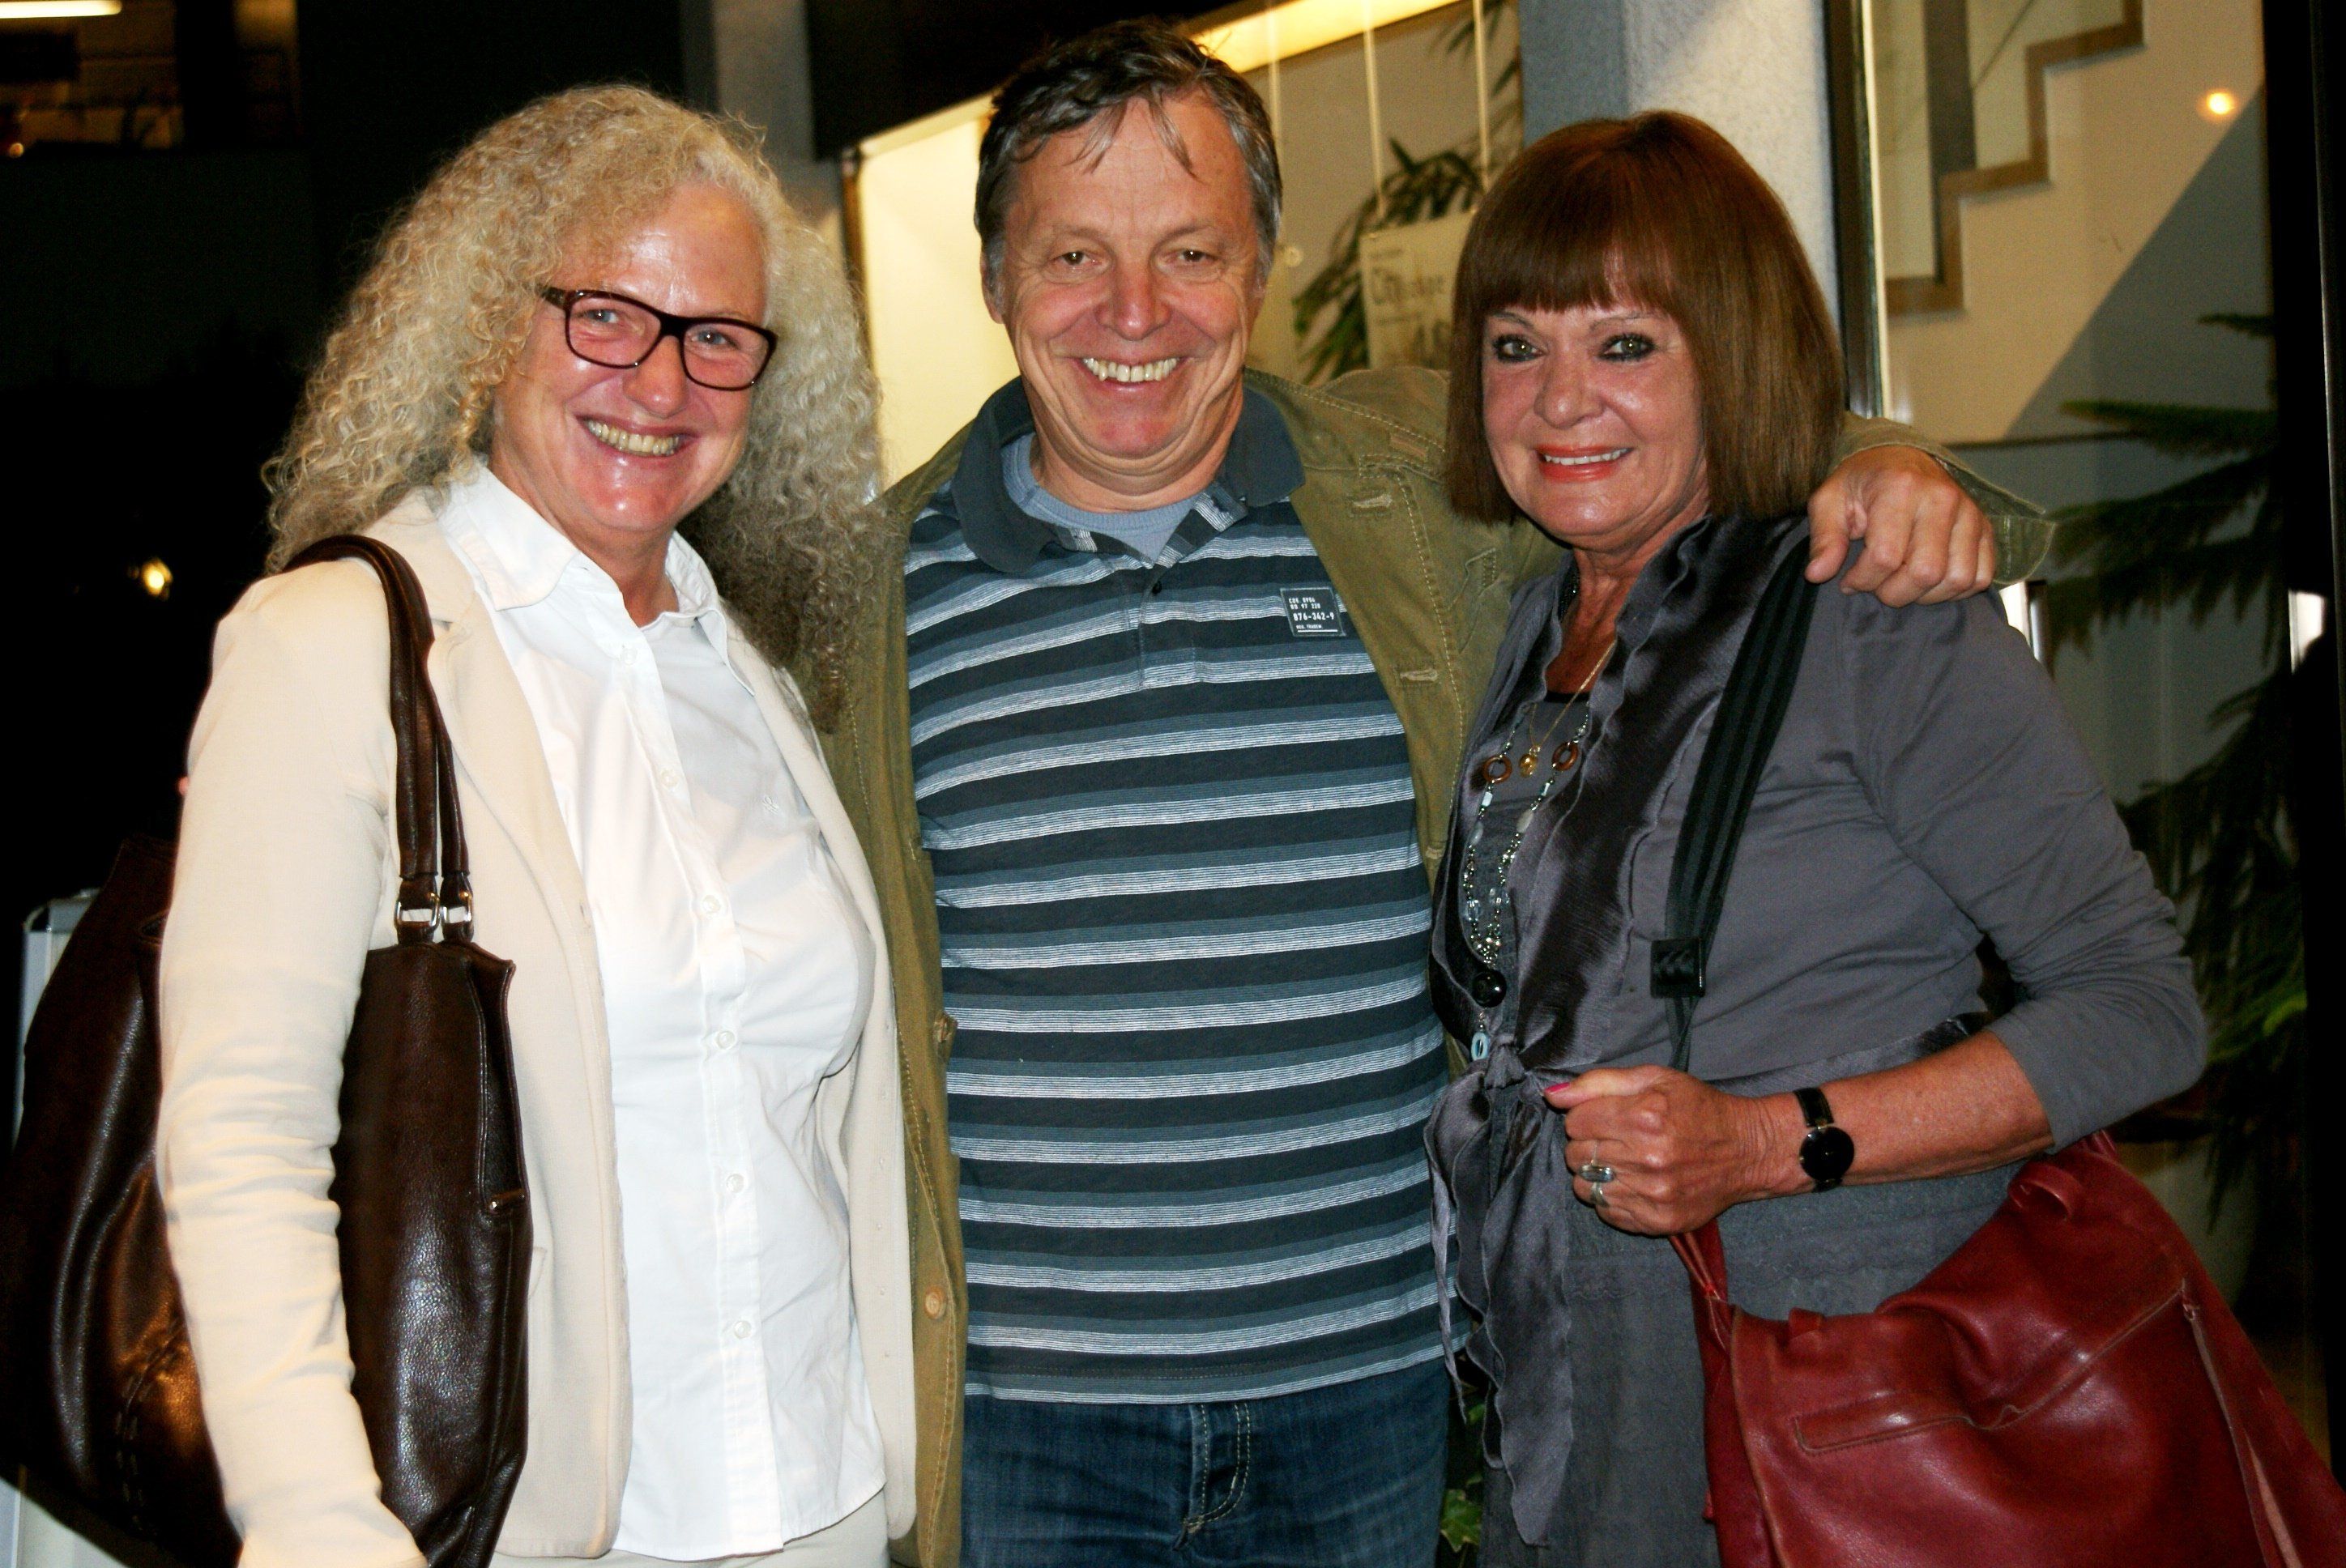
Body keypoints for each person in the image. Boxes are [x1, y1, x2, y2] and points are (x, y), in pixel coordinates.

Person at [816, 22, 2053, 1568]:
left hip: (1370, 1395)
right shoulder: (855, 604)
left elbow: (1668, 430)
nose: (1135, 312)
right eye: (1075, 256)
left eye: (1190, 251)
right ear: (999, 276)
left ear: (1260, 268)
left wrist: (1896, 469)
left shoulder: (1410, 491)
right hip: (1024, 1424)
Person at [156, 87, 936, 1568]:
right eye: (604, 316)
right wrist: (317, 1523)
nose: (661, 381)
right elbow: (240, 1139)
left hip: (822, 1504)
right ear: (488, 322)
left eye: (718, 336)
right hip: (517, 1527)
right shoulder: (337, 649)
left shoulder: (752, 674)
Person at [1421, 113, 2204, 1566]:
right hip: (1581, 1374)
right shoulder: (1538, 623)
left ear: (1733, 354)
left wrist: (1766, 1143)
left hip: (1828, 1380)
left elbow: (2140, 1008)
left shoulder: (1868, 615)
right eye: (1517, 346)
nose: (1560, 399)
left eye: (1628, 344)